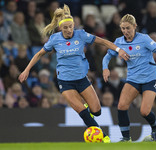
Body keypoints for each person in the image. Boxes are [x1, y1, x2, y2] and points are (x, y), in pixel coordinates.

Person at [18, 4, 129, 143]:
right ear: (60, 28)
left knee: (97, 111)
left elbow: (102, 41)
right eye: (65, 28)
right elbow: (39, 54)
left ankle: (90, 112)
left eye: (71, 27)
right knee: (82, 112)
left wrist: (119, 50)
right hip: (65, 81)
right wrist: (27, 69)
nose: (69, 30)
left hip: (82, 79)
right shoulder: (55, 39)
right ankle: (103, 136)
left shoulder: (81, 34)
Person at [102, 14, 156, 141]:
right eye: (123, 28)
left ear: (135, 26)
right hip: (133, 79)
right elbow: (107, 56)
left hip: (150, 78)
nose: (125, 31)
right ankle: (126, 139)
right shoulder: (119, 42)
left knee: (144, 112)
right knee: (121, 106)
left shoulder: (144, 39)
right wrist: (105, 67)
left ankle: (155, 127)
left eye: (128, 28)